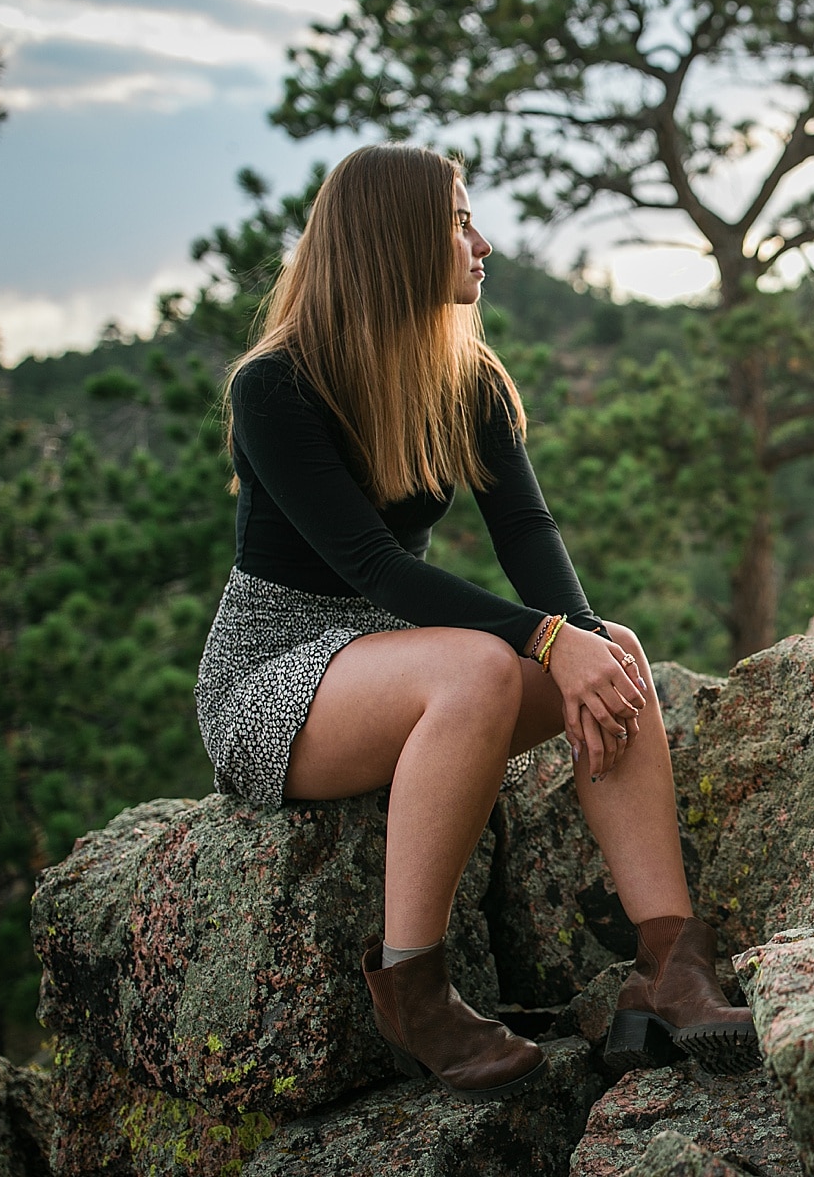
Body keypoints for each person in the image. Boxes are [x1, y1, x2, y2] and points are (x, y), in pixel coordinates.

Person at [193, 143, 756, 1103]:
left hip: (403, 653)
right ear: (395, 237)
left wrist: (577, 641)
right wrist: (540, 641)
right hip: (277, 672)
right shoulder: (274, 386)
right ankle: (412, 988)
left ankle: (671, 965)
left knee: (615, 650)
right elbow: (371, 568)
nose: (482, 241)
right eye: (459, 220)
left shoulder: (469, 379)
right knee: (483, 670)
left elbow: (527, 532)